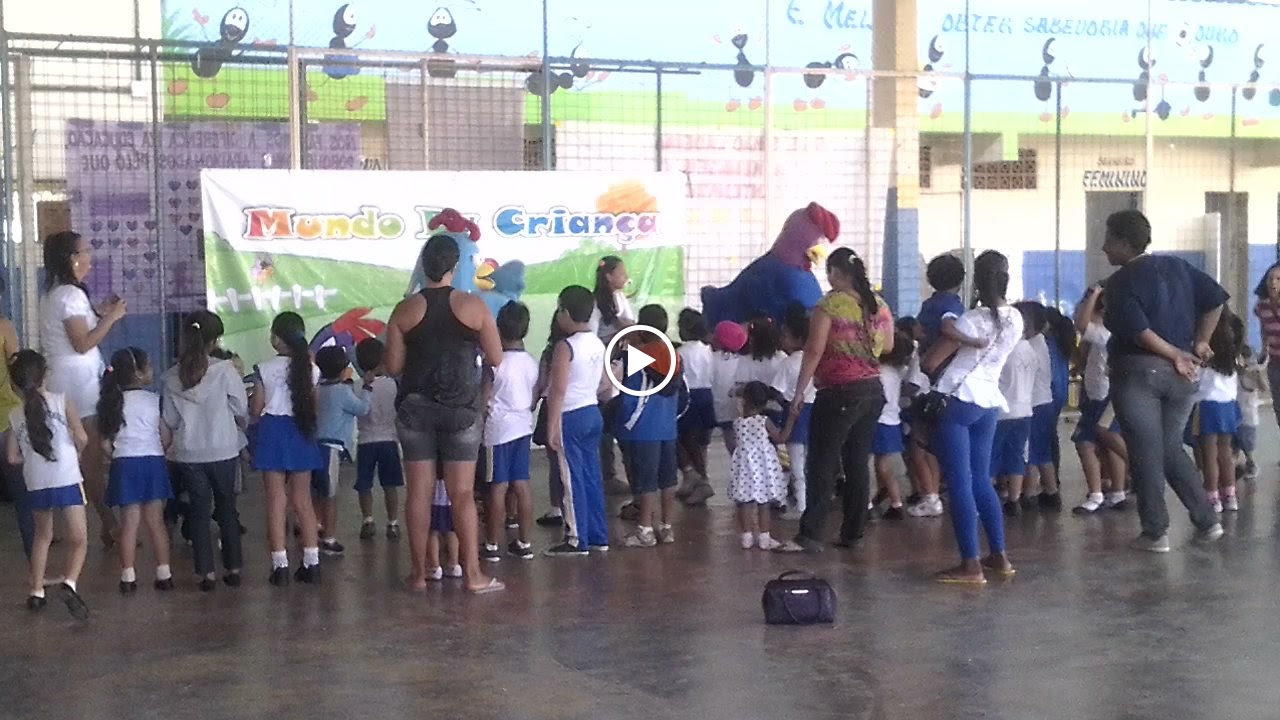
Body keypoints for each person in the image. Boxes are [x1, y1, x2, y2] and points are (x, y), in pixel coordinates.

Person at [386, 229, 504, 594]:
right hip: (461, 411)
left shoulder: (404, 310)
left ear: (423, 266)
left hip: (416, 409)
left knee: (418, 494)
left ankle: (419, 575)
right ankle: (473, 575)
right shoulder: (474, 307)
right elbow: (496, 357)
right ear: (455, 266)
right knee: (463, 494)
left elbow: (393, 366)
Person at [1101, 209, 1225, 552]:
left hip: (1139, 374)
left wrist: (1173, 354)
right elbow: (1216, 300)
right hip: (1182, 379)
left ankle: (1155, 532)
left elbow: (1139, 330)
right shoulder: (1177, 266)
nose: (1104, 247)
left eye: (1109, 239)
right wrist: (1200, 342)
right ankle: (1207, 521)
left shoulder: (1120, 281)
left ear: (1124, 242)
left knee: (1144, 452)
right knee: (1170, 447)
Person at [779, 248, 893, 553]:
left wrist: (799, 391)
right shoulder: (879, 305)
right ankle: (853, 532)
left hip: (839, 391)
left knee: (822, 463)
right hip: (872, 390)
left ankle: (810, 535)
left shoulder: (829, 305)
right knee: (857, 463)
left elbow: (814, 350)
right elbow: (888, 345)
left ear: (835, 273)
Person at [922, 250, 1023, 584]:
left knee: (959, 482)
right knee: (981, 480)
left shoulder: (971, 320)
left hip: (958, 400)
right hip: (989, 402)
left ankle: (970, 565)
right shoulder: (1016, 319)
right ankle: (999, 556)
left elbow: (931, 362)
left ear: (976, 281)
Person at [39, 231, 127, 549]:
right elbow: (82, 343)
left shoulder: (55, 294)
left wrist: (99, 313)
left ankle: (87, 523)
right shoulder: (70, 295)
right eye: (85, 251)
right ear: (72, 259)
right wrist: (112, 318)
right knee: (91, 462)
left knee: (77, 456)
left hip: (65, 381)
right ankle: (109, 523)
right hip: (79, 386)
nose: (90, 257)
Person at [162, 311, 247, 591]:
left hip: (189, 452)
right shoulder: (225, 370)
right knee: (226, 509)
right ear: (215, 340)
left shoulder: (171, 377)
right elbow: (240, 408)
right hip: (224, 448)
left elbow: (170, 420)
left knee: (198, 512)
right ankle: (233, 568)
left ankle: (205, 574)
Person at [7, 350, 90, 619]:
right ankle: (69, 583)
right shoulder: (62, 402)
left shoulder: (15, 415)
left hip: (36, 480)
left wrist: (31, 459)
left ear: (15, 385)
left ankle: (36, 591)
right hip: (66, 476)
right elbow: (82, 437)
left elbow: (12, 457)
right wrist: (76, 451)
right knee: (79, 539)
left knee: (42, 536)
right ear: (46, 375)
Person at [251, 311, 324, 586]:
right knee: (303, 500)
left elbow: (256, 408)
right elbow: (315, 408)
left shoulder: (264, 368)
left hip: (273, 432)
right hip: (302, 430)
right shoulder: (311, 370)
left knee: (275, 501)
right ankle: (312, 562)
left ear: (276, 339)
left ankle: (280, 566)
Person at [97, 347, 174, 594]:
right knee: (156, 522)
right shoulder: (154, 400)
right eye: (148, 366)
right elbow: (165, 435)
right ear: (139, 373)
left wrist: (117, 456)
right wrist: (159, 449)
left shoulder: (111, 403)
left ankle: (128, 577)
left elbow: (104, 444)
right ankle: (164, 573)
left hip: (124, 464)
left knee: (129, 523)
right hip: (152, 462)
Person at [544, 285, 609, 556]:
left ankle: (575, 539)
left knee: (571, 479)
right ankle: (598, 536)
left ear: (567, 313)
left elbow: (557, 390)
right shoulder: (597, 342)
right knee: (592, 476)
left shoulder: (565, 346)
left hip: (570, 416)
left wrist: (550, 426)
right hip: (592, 412)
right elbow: (606, 384)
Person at [618, 305, 684, 549]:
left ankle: (645, 530)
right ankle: (667, 527)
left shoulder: (636, 356)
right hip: (667, 426)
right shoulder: (674, 355)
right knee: (667, 479)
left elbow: (629, 392)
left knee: (646, 481)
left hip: (643, 427)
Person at [482, 301, 539, 562]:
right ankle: (524, 542)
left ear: (498, 328)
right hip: (523, 427)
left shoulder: (494, 362)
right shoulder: (531, 362)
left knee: (497, 486)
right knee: (521, 484)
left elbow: (483, 399)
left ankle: (492, 545)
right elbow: (534, 397)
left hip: (498, 430)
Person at [1071, 285, 1128, 514]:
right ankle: (1117, 492)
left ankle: (1096, 494)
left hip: (1103, 395)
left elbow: (1080, 323)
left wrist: (1093, 295)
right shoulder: (1109, 333)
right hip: (1099, 393)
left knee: (1084, 441)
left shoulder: (1105, 333)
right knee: (1107, 445)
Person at [312, 346, 370, 556]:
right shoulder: (343, 391)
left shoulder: (317, 389)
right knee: (330, 495)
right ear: (343, 368)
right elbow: (363, 409)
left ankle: (314, 526)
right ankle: (329, 538)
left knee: (315, 493)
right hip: (332, 448)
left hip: (313, 445)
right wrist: (367, 388)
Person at [685, 320, 747, 507]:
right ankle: (741, 482)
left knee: (701, 445)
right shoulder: (740, 360)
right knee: (734, 448)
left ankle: (702, 481)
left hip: (712, 406)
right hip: (732, 410)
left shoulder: (711, 356)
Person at [591, 256, 635, 497]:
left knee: (615, 419)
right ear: (608, 276)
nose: (625, 276)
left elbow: (631, 325)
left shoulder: (619, 298)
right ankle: (605, 475)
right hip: (602, 368)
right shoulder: (596, 302)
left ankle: (614, 475)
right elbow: (590, 336)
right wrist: (617, 335)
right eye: (621, 272)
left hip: (618, 366)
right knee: (604, 422)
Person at [1192, 311, 1244, 514]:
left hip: (1207, 406)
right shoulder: (1234, 358)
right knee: (1226, 452)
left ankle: (1212, 496)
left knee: (1209, 455)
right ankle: (1230, 495)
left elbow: (1195, 380)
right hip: (1228, 406)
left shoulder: (1204, 361)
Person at [353, 338, 403, 541]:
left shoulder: (357, 386)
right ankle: (393, 523)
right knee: (390, 485)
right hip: (389, 440)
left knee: (364, 484)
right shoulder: (393, 384)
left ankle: (368, 520)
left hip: (365, 440)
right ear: (383, 360)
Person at [729, 381, 787, 550]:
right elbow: (780, 438)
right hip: (763, 467)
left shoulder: (737, 423)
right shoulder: (764, 421)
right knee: (764, 502)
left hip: (744, 467)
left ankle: (746, 536)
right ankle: (764, 537)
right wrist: (791, 420)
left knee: (745, 501)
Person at [991, 309, 1037, 516]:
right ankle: (1014, 499)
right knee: (1016, 454)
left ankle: (987, 497)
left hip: (1003, 410)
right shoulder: (1031, 350)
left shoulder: (1004, 350)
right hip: (1025, 409)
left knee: (992, 454)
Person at [1018, 301, 1063, 511]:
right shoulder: (1041, 342)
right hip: (1044, 401)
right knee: (1041, 450)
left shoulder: (1029, 346)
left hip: (1034, 403)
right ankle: (1048, 492)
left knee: (1032, 451)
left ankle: (1032, 493)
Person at [771, 307, 814, 517]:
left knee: (795, 464)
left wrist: (786, 403)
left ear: (797, 338)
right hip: (814, 414)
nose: (782, 340)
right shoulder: (815, 360)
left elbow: (776, 391)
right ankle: (807, 503)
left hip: (794, 415)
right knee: (808, 462)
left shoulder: (788, 363)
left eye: (785, 336)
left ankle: (801, 506)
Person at [0, 275, 29, 559]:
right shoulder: (4, 327)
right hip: (7, 419)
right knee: (22, 494)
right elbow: (18, 371)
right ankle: (36, 560)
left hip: (6, 417)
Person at [873, 327, 914, 520]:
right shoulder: (894, 373)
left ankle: (876, 503)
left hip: (878, 421)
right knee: (884, 463)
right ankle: (894, 501)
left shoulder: (877, 372)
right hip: (891, 421)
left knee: (878, 464)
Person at [533, 315, 569, 528]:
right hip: (572, 406)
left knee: (554, 460)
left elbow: (542, 383)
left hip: (551, 405)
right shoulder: (579, 348)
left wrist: (532, 403)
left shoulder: (550, 352)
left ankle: (556, 507)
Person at [675, 309, 715, 500]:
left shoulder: (680, 353)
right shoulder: (708, 350)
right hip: (707, 396)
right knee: (700, 442)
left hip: (688, 397)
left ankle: (698, 478)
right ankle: (695, 481)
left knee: (683, 439)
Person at [1252, 261, 1280, 431]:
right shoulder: (1262, 306)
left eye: (1278, 279)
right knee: (1278, 406)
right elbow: (1263, 326)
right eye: (1270, 279)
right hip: (1275, 362)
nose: (1273, 283)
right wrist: (1264, 349)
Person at [1235, 343, 1266, 481]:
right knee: (1234, 442)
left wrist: (1256, 375)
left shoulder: (1252, 373)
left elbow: (1263, 388)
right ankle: (1235, 465)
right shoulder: (1235, 372)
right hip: (1235, 413)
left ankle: (1251, 463)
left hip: (1248, 415)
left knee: (1246, 443)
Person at [426, 481, 462, 580]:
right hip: (452, 496)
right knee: (452, 530)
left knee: (432, 531)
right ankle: (454, 564)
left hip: (436, 496)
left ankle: (434, 567)